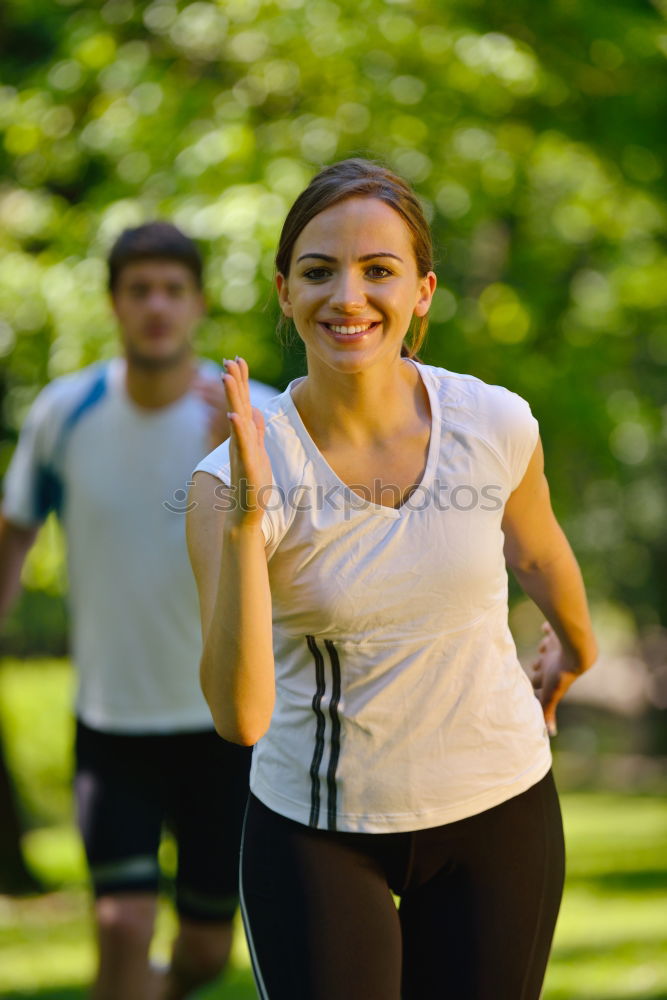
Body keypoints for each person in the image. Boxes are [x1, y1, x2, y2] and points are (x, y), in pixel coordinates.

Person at [186, 159, 598, 1000]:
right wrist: (241, 523)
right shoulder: (228, 478)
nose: (347, 295)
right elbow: (240, 717)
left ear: (422, 293)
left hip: (497, 804)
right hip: (318, 830)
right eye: (318, 270)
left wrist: (575, 655)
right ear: (283, 291)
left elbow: (538, 551)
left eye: (379, 270)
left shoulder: (493, 422)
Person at [0, 222, 277, 1000]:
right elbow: (15, 530)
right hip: (111, 722)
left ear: (197, 303)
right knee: (121, 930)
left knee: (203, 951)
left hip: (225, 726)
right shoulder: (65, 412)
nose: (156, 306)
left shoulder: (254, 415)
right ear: (114, 304)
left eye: (172, 290)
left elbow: (306, 559)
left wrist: (247, 470)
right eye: (139, 291)